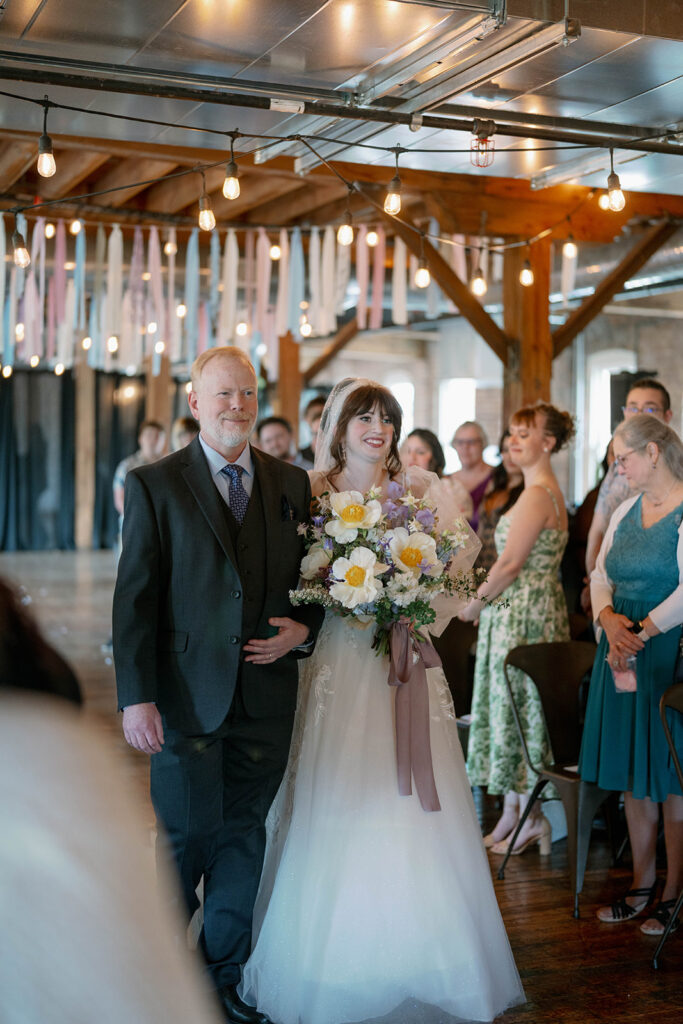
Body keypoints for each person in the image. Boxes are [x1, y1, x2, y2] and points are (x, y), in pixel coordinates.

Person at [241, 378, 524, 1024]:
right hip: (340, 664)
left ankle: (427, 954)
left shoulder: (420, 491)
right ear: (337, 426)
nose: (377, 428)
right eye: (363, 416)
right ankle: (332, 961)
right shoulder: (310, 491)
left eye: (386, 418)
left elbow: (454, 569)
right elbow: (289, 574)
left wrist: (412, 603)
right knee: (339, 792)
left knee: (414, 804)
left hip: (401, 663)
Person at [112, 346, 323, 1024]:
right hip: (181, 695)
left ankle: (222, 981)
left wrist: (304, 629)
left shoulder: (292, 483)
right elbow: (134, 601)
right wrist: (134, 696)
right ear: (196, 405)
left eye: (246, 394)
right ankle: (154, 977)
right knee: (182, 840)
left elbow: (315, 584)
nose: (236, 405)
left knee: (242, 838)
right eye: (222, 395)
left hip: (265, 696)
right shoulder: (155, 485)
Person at [578, 414, 683, 937]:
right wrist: (606, 619)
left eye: (624, 457)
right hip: (619, 650)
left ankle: (672, 892)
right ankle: (641, 885)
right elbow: (600, 575)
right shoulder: (623, 509)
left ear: (655, 452)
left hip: (666, 653)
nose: (617, 467)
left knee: (668, 777)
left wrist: (639, 629)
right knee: (634, 780)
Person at [460, 402, 574, 855]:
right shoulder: (536, 489)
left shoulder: (538, 494)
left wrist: (471, 607)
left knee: (522, 712)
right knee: (511, 710)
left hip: (523, 614)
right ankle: (513, 812)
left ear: (547, 442)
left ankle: (533, 817)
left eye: (524, 434)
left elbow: (508, 564)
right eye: (511, 433)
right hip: (520, 611)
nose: (513, 441)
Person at [582, 379, 672, 613]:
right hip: (611, 585)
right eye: (633, 407)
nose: (639, 415)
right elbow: (598, 529)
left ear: (668, 416)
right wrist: (596, 585)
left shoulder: (674, 475)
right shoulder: (615, 471)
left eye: (650, 408)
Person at [476, 430, 524, 573]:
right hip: (482, 562)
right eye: (505, 450)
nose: (509, 457)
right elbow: (481, 526)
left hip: (506, 566)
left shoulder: (529, 490)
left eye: (515, 450)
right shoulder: (495, 483)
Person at [400, 427, 472, 518]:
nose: (412, 457)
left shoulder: (452, 489)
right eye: (407, 451)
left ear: (434, 457)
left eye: (420, 452)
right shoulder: (395, 487)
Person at [112, 419, 166, 522]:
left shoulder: (170, 465)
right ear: (140, 439)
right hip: (133, 523)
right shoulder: (126, 466)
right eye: (149, 435)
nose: (154, 440)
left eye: (158, 436)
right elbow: (119, 500)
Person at [449, 420, 494, 532]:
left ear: (483, 444)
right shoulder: (446, 482)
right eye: (460, 442)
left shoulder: (498, 478)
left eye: (471, 442)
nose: (465, 447)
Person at [298, 395, 326, 465]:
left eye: (324, 414)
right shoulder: (300, 456)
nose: (321, 418)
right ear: (306, 418)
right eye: (315, 415)